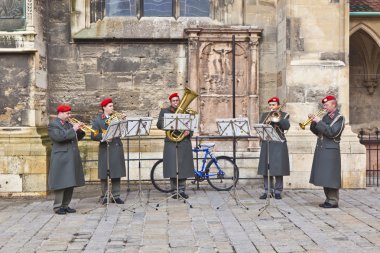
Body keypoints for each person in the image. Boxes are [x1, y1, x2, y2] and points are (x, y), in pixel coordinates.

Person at [48, 104, 85, 215]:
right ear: (60, 113)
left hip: (71, 156)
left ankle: (65, 205)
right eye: (67, 113)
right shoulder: (53, 125)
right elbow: (59, 137)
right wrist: (73, 129)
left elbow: (78, 137)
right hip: (61, 157)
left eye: (70, 113)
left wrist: (78, 130)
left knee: (70, 181)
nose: (70, 115)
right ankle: (57, 206)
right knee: (61, 182)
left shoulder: (69, 124)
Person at [156, 92, 195, 199]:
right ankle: (174, 190)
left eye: (177, 100)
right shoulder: (164, 111)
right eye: (173, 101)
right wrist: (169, 122)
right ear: (170, 102)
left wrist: (188, 132)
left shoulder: (186, 111)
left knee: (183, 167)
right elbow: (159, 125)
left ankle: (182, 190)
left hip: (184, 142)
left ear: (179, 101)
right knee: (172, 167)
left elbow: (191, 126)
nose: (176, 102)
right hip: (171, 142)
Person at [309, 95, 345, 208]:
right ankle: (328, 199)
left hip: (331, 151)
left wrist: (319, 121)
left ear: (333, 105)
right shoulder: (325, 117)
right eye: (324, 105)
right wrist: (313, 122)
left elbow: (332, 132)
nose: (324, 107)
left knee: (331, 176)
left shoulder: (339, 118)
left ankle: (333, 201)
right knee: (325, 175)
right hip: (322, 149)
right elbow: (318, 132)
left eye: (326, 105)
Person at [91, 98, 126, 204]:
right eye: (110, 106)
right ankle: (105, 195)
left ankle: (116, 195)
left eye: (112, 106)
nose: (112, 108)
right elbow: (93, 135)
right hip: (105, 148)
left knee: (116, 172)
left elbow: (123, 131)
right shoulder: (98, 120)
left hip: (116, 146)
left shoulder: (116, 118)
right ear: (104, 108)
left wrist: (123, 121)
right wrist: (104, 136)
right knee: (104, 173)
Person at [258, 96, 290, 200]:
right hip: (267, 143)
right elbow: (260, 127)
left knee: (278, 168)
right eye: (270, 105)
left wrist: (278, 118)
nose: (272, 107)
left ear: (278, 105)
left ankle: (278, 191)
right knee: (266, 168)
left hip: (279, 144)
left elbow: (286, 126)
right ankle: (268, 190)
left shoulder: (284, 115)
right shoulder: (264, 115)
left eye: (274, 105)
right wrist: (269, 118)